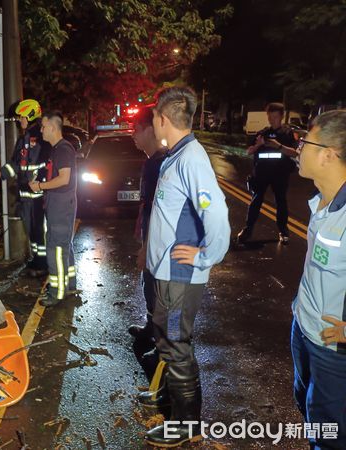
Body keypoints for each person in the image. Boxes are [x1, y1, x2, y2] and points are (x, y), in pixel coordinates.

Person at [142, 87, 230, 447]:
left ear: (162, 118)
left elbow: (218, 214)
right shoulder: (175, 156)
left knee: (177, 347)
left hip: (179, 277)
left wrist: (206, 255)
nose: (152, 124)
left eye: (153, 118)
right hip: (165, 273)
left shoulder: (191, 158)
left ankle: (186, 425)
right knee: (168, 343)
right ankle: (170, 404)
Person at [291, 110, 346, 450]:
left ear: (327, 154)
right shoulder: (322, 202)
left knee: (331, 434)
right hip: (305, 329)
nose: (298, 148)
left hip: (333, 348)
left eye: (305, 142)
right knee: (310, 411)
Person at [0, 99, 51, 275]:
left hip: (38, 194)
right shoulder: (24, 138)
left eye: (21, 117)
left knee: (39, 230)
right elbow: (16, 163)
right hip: (25, 194)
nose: (19, 120)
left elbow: (41, 163)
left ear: (30, 115)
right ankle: (36, 261)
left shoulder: (41, 137)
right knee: (31, 230)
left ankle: (43, 264)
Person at [128, 105, 166, 360]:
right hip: (150, 233)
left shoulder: (161, 164)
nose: (134, 135)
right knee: (149, 285)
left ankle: (163, 348)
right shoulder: (151, 161)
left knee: (158, 289)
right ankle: (151, 329)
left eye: (138, 129)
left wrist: (146, 247)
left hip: (159, 240)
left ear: (151, 129)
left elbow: (159, 210)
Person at [29, 111, 77, 307]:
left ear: (52, 127)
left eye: (43, 126)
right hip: (60, 204)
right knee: (64, 246)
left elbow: (64, 178)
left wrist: (40, 186)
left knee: (56, 249)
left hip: (61, 206)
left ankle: (57, 293)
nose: (41, 130)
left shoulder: (63, 149)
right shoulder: (58, 149)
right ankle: (70, 284)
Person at [237, 103, 298, 245]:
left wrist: (278, 146)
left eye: (275, 116)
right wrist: (259, 144)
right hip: (262, 173)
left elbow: (295, 153)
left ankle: (283, 231)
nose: (271, 119)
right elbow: (249, 151)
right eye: (269, 116)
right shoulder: (262, 133)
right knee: (255, 201)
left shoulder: (287, 133)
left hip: (280, 174)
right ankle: (248, 229)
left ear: (281, 116)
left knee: (281, 202)